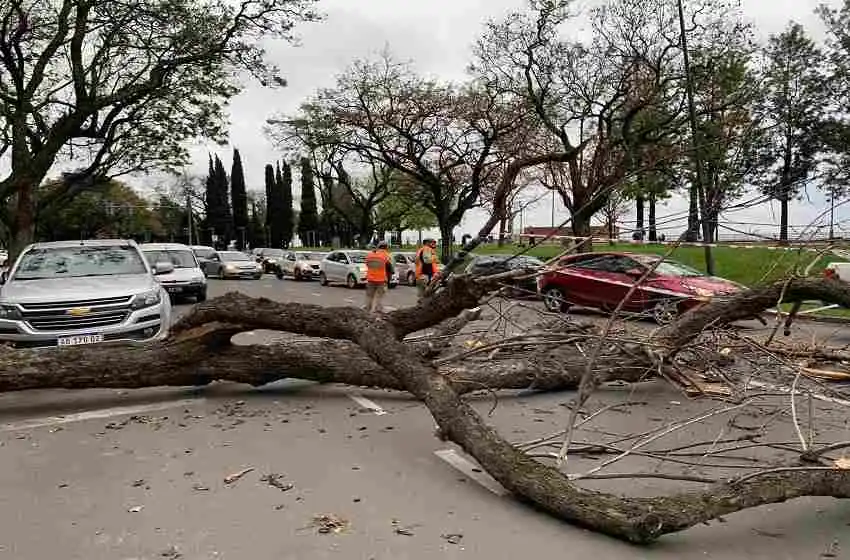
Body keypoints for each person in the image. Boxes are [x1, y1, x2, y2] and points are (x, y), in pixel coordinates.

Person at [364, 240, 393, 313]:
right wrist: (389, 279)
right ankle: (376, 310)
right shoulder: (386, 255)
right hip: (381, 279)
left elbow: (367, 264)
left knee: (369, 296)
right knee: (379, 296)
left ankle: (367, 310)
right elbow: (390, 268)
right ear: (386, 247)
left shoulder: (370, 255)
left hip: (370, 279)